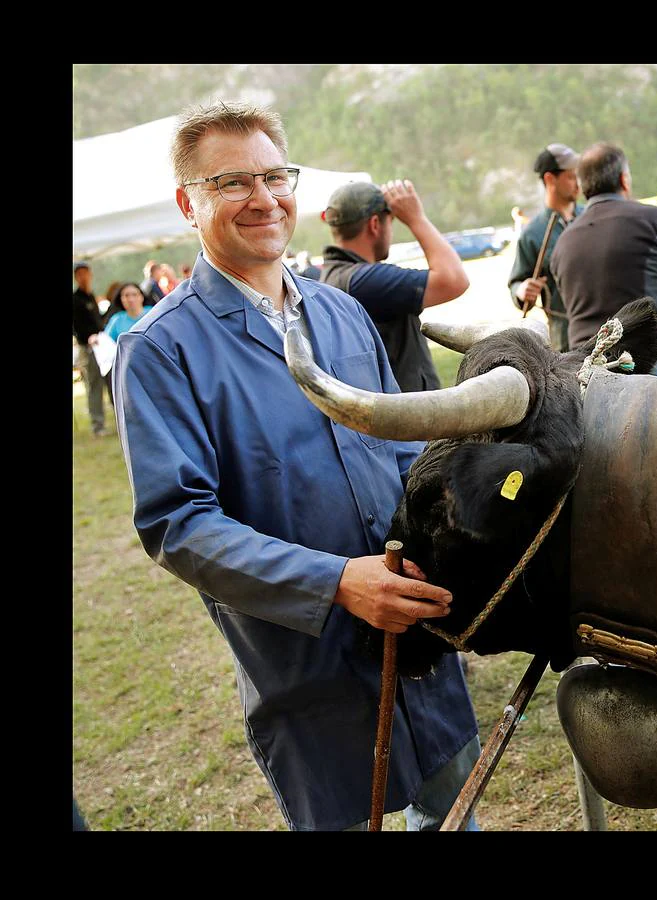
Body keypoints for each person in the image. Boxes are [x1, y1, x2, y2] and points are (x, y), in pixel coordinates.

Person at [112, 100, 480, 832]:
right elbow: (177, 525)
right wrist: (337, 582)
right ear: (189, 203)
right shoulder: (159, 349)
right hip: (305, 661)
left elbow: (402, 451)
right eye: (232, 182)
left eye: (275, 176)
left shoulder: (343, 314)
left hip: (414, 636)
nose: (263, 198)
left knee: (454, 814)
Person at [550, 141, 657, 372]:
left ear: (584, 188)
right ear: (624, 179)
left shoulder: (562, 243)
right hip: (651, 368)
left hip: (588, 375)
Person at [319, 179, 469, 393]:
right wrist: (416, 219)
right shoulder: (365, 282)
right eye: (391, 222)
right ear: (374, 224)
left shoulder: (336, 277)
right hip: (408, 419)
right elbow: (454, 280)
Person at [508, 144, 584, 353]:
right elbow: (516, 282)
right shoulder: (533, 233)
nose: (578, 183)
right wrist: (522, 290)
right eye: (571, 177)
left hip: (605, 328)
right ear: (550, 179)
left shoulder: (592, 216)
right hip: (567, 341)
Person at [72, 261, 109, 437]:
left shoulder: (90, 295)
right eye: (79, 274)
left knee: (109, 381)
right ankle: (97, 424)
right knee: (94, 385)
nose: (83, 277)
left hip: (101, 344)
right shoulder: (75, 299)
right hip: (87, 348)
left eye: (85, 273)